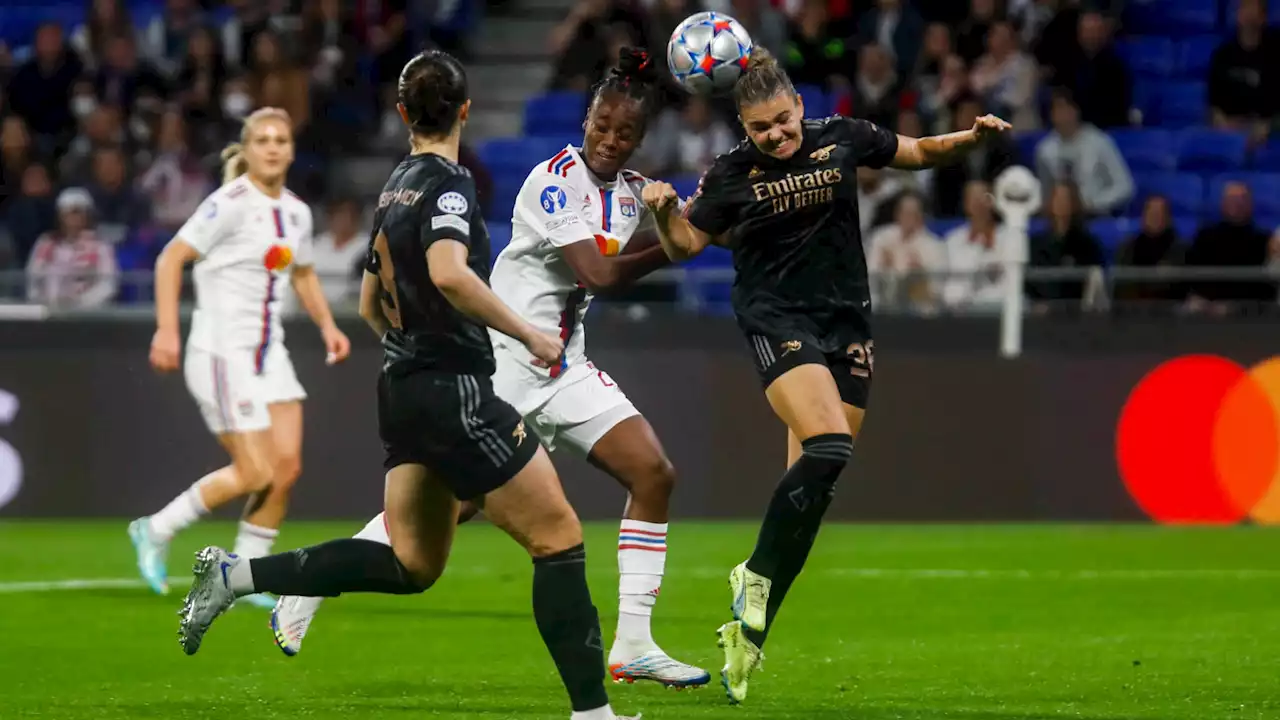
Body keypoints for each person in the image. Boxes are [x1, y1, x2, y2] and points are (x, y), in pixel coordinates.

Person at [175, 50, 640, 720]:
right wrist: (527, 333)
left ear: (402, 114)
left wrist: (410, 354)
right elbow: (450, 272)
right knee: (559, 536)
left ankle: (234, 576)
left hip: (401, 389)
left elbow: (368, 302)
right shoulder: (448, 186)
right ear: (465, 111)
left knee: (413, 563)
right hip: (455, 389)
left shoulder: (394, 186)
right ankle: (593, 715)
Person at [269, 47, 708, 689]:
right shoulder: (552, 180)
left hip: (565, 366)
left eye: (626, 134)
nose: (611, 141)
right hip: (508, 364)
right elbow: (600, 274)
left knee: (654, 473)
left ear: (641, 138)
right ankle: (310, 586)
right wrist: (660, 248)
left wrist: (669, 214)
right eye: (601, 127)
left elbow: (687, 246)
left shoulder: (631, 193)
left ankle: (634, 644)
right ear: (584, 121)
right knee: (451, 509)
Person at [641, 47, 1011, 704]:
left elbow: (921, 152)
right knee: (829, 444)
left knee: (814, 491)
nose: (776, 136)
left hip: (847, 324)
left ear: (799, 109)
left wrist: (971, 139)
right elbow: (685, 247)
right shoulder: (730, 174)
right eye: (761, 129)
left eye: (782, 121)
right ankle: (752, 573)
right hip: (775, 316)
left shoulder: (843, 138)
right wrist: (666, 213)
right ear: (744, 129)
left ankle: (748, 635)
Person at [130, 106, 351, 609]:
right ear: (248, 150)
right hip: (221, 351)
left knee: (287, 467)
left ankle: (244, 575)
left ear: (291, 150)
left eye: (281, 139)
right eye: (263, 140)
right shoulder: (228, 202)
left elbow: (303, 273)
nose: (273, 147)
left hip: (269, 354)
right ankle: (155, 528)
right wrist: (167, 331)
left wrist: (327, 325)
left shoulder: (296, 211)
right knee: (255, 471)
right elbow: (170, 258)